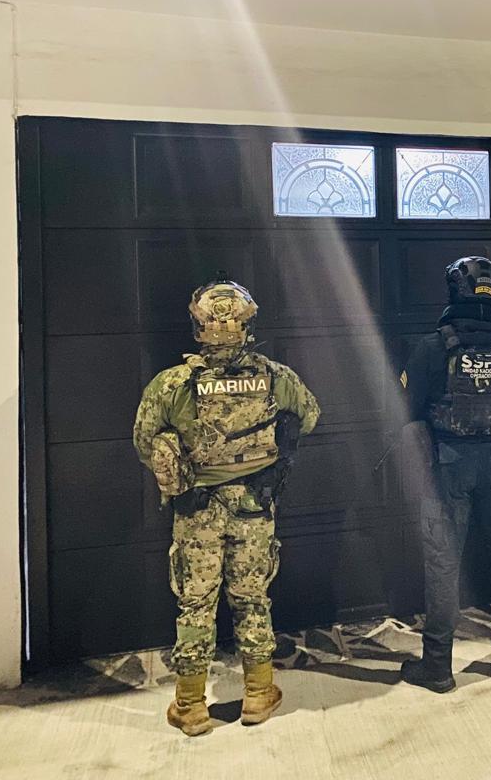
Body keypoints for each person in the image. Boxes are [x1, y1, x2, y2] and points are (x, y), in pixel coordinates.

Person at [133, 280, 320, 736]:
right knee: (252, 598)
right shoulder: (276, 376)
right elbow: (310, 417)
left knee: (195, 604)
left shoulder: (173, 384)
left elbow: (144, 441)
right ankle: (258, 694)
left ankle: (191, 706)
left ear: (198, 326)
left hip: (196, 511)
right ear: (248, 325)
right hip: (255, 505)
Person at [398, 257, 491, 692]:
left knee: (444, 565)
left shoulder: (433, 347)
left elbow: (406, 404)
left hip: (449, 463)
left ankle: (438, 667)